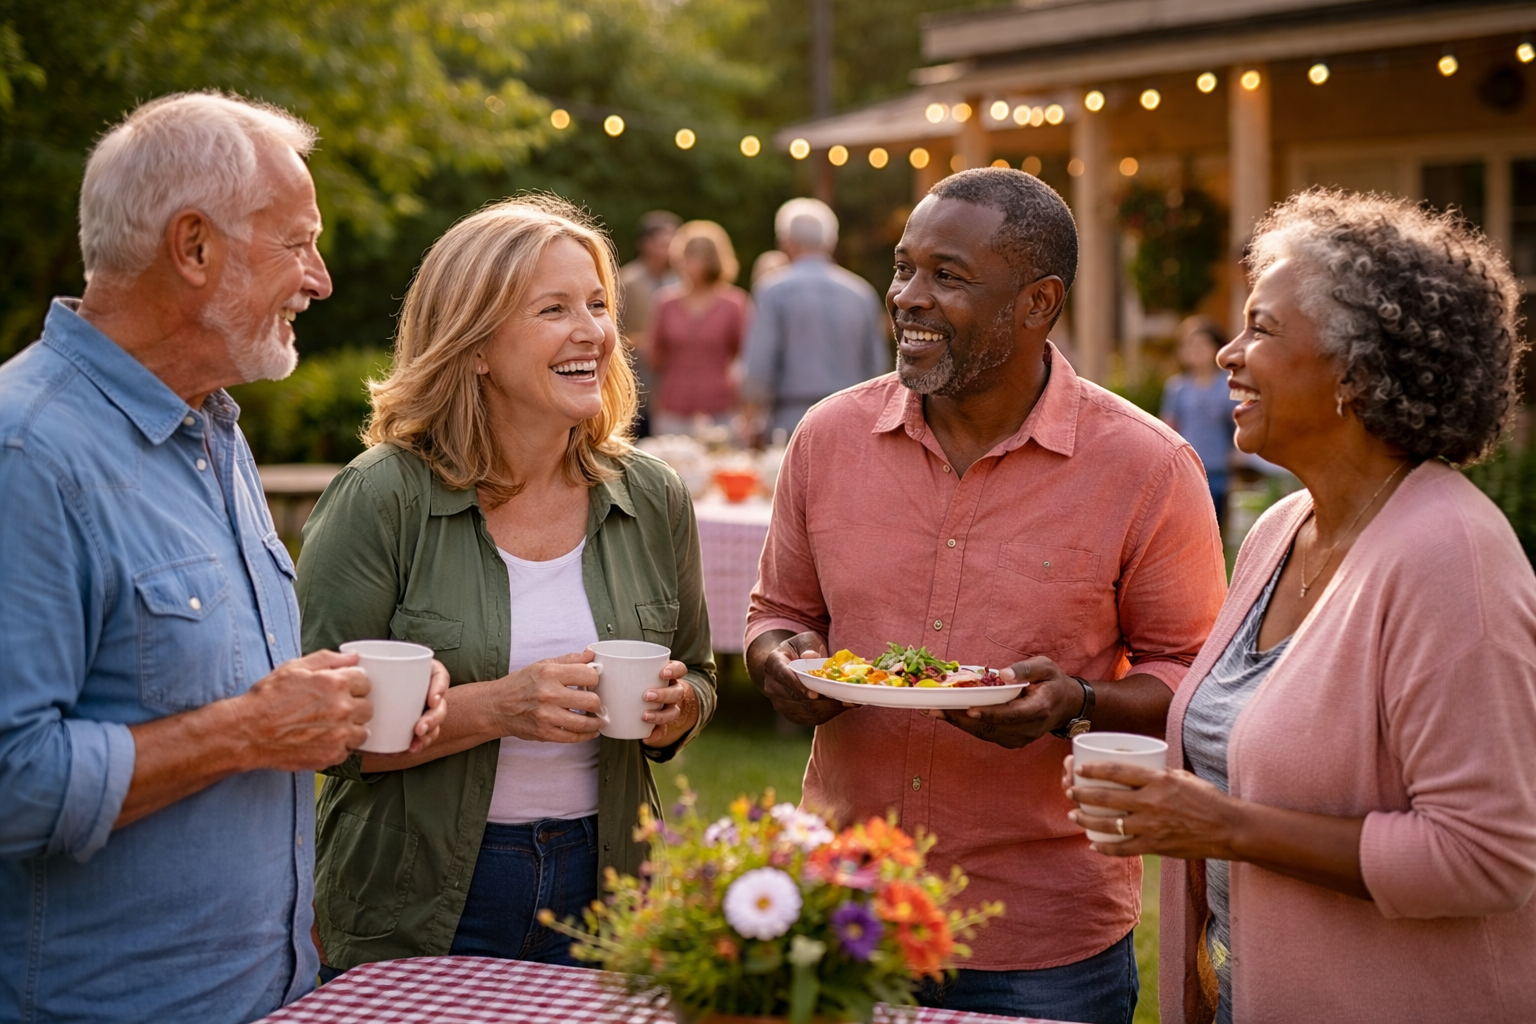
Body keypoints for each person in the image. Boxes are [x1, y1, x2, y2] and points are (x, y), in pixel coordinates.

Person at [0, 92, 448, 1024]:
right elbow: (12, 779)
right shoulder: (27, 455)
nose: (320, 278)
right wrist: (249, 730)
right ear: (194, 248)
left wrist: (327, 700)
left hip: (271, 994)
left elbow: (199, 690)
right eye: (297, 243)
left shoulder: (210, 428)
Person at [746, 168, 1228, 1024]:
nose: (909, 298)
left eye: (948, 276)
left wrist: (1075, 702)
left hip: (1039, 940)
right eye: (903, 269)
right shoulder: (827, 438)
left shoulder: (1147, 468)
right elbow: (779, 614)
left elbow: (1194, 683)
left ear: (1037, 302)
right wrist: (780, 661)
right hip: (843, 910)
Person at [1064, 190, 1536, 1023]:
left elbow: (1487, 857)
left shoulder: (1451, 556)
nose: (1227, 355)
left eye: (1262, 328)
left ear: (1357, 367)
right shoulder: (1280, 529)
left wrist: (1223, 826)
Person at [297, 195, 716, 976]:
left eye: (597, 304)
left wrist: (674, 707)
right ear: (476, 344)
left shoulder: (651, 495)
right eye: (553, 308)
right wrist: (501, 708)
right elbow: (319, 736)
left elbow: (698, 672)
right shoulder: (383, 497)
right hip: (421, 894)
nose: (591, 329)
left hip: (609, 881)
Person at [741, 198, 891, 439]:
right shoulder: (861, 292)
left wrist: (751, 419)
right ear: (830, 242)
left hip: (791, 421)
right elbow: (876, 365)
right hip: (850, 420)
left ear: (786, 242)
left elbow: (759, 366)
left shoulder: (772, 290)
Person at [649, 220, 751, 437]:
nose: (689, 264)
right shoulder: (666, 302)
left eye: (697, 256)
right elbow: (655, 354)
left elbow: (745, 355)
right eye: (686, 256)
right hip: (673, 405)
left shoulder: (734, 304)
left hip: (719, 406)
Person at [1160, 316, 1238, 532]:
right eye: (1189, 345)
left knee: (1215, 527)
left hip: (1219, 468)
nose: (1195, 350)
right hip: (1186, 469)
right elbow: (1168, 428)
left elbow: (1238, 425)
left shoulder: (1228, 386)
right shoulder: (1177, 388)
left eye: (1201, 345)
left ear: (1216, 347)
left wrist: (1237, 454)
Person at [618, 210, 680, 436]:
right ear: (646, 244)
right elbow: (613, 332)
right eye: (665, 242)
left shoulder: (679, 282)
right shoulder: (628, 281)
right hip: (636, 384)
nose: (672, 248)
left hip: (670, 386)